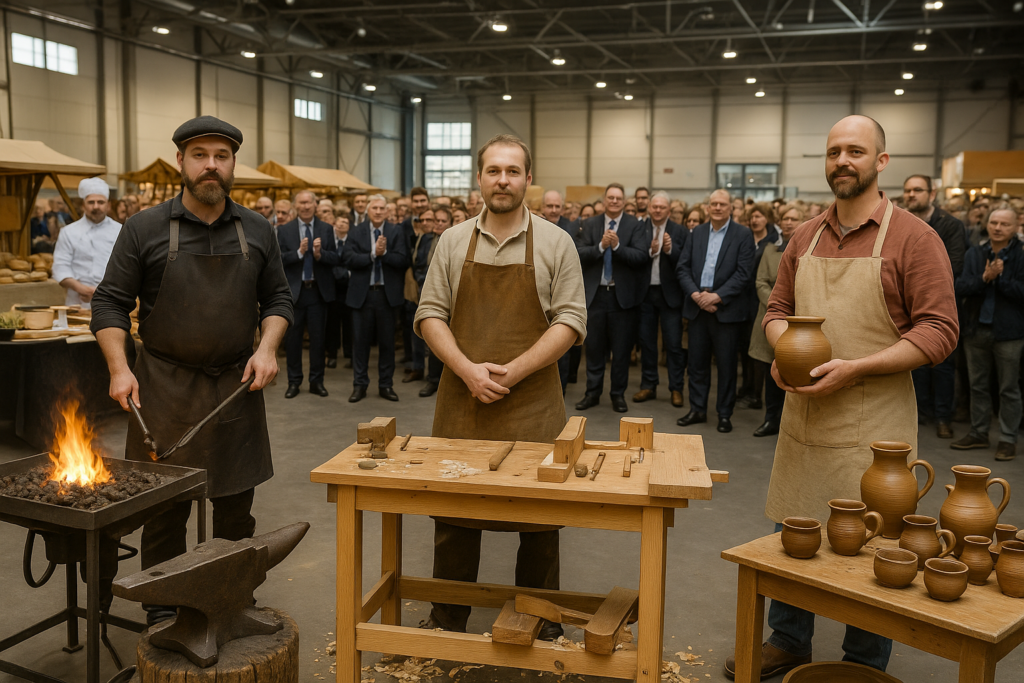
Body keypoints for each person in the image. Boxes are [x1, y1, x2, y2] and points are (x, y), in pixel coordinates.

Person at [724, 115, 958, 680]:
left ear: (881, 161)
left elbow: (939, 330)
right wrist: (784, 350)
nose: (842, 161)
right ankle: (788, 640)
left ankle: (863, 661)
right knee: (795, 527)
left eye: (856, 151)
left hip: (877, 423)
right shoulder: (804, 236)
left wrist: (857, 368)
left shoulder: (914, 238)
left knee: (877, 542)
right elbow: (777, 310)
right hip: (807, 413)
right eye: (834, 152)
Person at [90, 115, 292, 624]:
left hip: (235, 386)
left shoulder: (257, 228)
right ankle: (163, 608)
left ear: (233, 164)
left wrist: (267, 348)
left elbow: (278, 299)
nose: (211, 165)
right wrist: (119, 368)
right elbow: (109, 303)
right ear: (181, 161)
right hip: (163, 387)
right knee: (164, 510)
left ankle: (230, 597)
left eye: (221, 156)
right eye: (200, 155)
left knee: (236, 510)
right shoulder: (144, 228)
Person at [415, 133, 585, 639]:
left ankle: (540, 619)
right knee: (454, 517)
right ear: (480, 178)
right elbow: (430, 314)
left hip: (533, 407)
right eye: (494, 171)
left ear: (528, 179)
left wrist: (516, 370)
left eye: (513, 171)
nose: (503, 180)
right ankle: (447, 618)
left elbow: (570, 321)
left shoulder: (556, 242)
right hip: (462, 404)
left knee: (540, 521)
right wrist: (467, 369)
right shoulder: (452, 242)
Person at [676, 189, 754, 433]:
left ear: (731, 207)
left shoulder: (743, 234)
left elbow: (744, 273)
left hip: (726, 311)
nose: (718, 207)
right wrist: (696, 295)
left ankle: (724, 414)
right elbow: (682, 268)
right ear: (707, 208)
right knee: (696, 364)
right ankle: (697, 409)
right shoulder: (696, 233)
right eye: (714, 204)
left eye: (722, 204)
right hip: (698, 308)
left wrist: (716, 297)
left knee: (726, 366)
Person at [951, 207, 1023, 461]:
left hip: (1009, 333)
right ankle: (979, 432)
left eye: (1004, 224)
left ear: (1015, 227)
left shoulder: (1020, 255)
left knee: (1008, 388)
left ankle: (1007, 439)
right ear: (987, 224)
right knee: (977, 386)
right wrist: (985, 277)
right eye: (994, 222)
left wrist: (1000, 279)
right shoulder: (975, 253)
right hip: (976, 329)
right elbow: (960, 286)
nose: (998, 228)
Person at [575, 183, 649, 413]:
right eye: (611, 197)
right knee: (594, 349)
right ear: (604, 200)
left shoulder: (635, 225)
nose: (615, 201)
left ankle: (618, 394)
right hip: (595, 296)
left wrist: (617, 247)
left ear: (624, 201)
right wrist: (600, 246)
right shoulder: (590, 224)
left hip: (622, 298)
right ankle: (592, 393)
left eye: (618, 198)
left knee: (621, 351)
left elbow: (641, 256)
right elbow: (578, 252)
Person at [903, 174, 967, 439]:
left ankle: (943, 417)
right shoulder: (900, 223)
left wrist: (916, 279)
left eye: (917, 190)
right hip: (907, 305)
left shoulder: (950, 224)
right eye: (908, 190)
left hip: (939, 304)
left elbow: (954, 265)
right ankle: (918, 414)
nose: (911, 195)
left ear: (931, 194)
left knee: (941, 364)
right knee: (913, 361)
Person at [344, 194, 409, 402]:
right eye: (375, 208)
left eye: (382, 208)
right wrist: (372, 254)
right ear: (368, 210)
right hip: (362, 296)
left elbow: (403, 260)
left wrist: (384, 254)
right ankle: (359, 385)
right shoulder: (356, 231)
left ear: (387, 211)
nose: (378, 211)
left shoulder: (396, 231)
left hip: (386, 296)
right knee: (360, 343)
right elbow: (348, 258)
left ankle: (386, 385)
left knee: (387, 343)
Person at [748, 203, 805, 437]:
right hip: (772, 317)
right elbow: (760, 281)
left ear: (803, 222)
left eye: (793, 219)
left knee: (798, 372)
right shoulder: (770, 250)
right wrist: (777, 304)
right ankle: (771, 420)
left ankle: (793, 425)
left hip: (801, 319)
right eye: (784, 219)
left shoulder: (811, 249)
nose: (788, 223)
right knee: (773, 371)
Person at [279, 190, 341, 398]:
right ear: (295, 206)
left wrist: (319, 254)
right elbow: (278, 259)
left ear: (315, 205)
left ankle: (317, 381)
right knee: (293, 341)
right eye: (301, 203)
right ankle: (294, 382)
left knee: (318, 340)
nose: (305, 206)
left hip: (317, 292)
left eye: (309, 203)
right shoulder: (285, 230)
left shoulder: (326, 228)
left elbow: (335, 258)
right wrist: (298, 253)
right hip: (295, 293)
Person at [633, 191, 687, 407]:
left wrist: (670, 250)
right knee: (647, 343)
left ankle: (676, 388)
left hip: (670, 295)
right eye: (654, 206)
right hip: (645, 293)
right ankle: (648, 385)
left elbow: (686, 260)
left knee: (673, 344)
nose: (657, 210)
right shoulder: (640, 228)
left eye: (661, 207)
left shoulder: (679, 231)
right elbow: (633, 257)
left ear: (668, 210)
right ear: (649, 208)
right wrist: (649, 251)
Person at [737, 203, 782, 411]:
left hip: (761, 301)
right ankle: (746, 387)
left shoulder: (772, 242)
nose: (755, 220)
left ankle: (757, 394)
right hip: (743, 299)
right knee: (746, 348)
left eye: (759, 216)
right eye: (752, 217)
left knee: (761, 351)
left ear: (767, 218)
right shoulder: (745, 237)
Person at [52, 178, 122, 309]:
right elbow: (60, 268)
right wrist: (81, 289)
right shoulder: (68, 232)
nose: (96, 206)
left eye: (100, 202)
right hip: (77, 302)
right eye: (91, 202)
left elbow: (126, 267)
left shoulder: (120, 231)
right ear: (83, 206)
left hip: (112, 302)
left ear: (108, 205)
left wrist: (102, 291)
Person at [403, 207, 436, 384]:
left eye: (428, 220)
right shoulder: (419, 238)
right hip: (415, 288)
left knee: (433, 332)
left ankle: (433, 375)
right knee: (415, 330)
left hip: (430, 288)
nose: (425, 223)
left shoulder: (440, 239)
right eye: (421, 220)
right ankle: (418, 368)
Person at [326, 215, 352, 369]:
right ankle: (332, 355)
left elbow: (353, 261)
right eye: (340, 222)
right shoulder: (329, 241)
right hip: (332, 288)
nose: (342, 225)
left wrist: (346, 274)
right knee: (332, 324)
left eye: (346, 222)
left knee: (350, 324)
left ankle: (350, 354)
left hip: (350, 289)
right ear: (334, 224)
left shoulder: (353, 241)